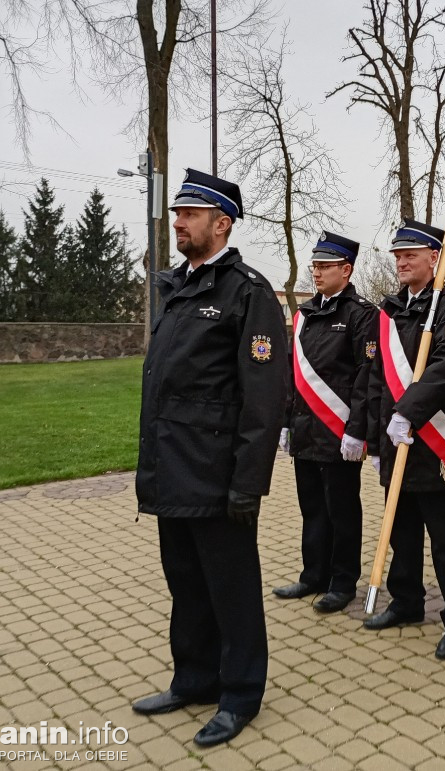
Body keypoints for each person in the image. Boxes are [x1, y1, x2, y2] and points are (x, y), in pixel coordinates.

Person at [132, 169, 288, 748]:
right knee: (187, 585)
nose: (178, 222)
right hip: (172, 470)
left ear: (221, 223)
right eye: (177, 213)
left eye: (190, 214)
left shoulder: (247, 292)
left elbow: (264, 396)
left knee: (232, 588)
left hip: (219, 478)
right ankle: (194, 678)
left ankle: (240, 693)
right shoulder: (178, 287)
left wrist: (249, 481)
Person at [365, 216, 445, 660]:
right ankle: (407, 602)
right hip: (397, 442)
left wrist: (408, 412)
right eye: (397, 256)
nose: (401, 262)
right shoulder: (390, 309)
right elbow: (376, 379)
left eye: (410, 255)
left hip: (436, 441)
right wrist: (378, 441)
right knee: (402, 533)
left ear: (435, 258)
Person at [273, 232, 377, 614]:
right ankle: (312, 574)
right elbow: (292, 374)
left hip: (339, 432)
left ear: (346, 270)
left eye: (325, 266)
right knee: (312, 507)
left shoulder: (361, 315)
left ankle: (343, 580)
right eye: (315, 265)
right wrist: (286, 421)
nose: (316, 272)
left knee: (342, 511)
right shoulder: (303, 315)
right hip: (305, 429)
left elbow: (366, 376)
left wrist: (357, 430)